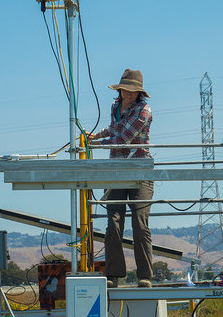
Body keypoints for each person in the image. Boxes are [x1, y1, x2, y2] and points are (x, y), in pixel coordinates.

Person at [87, 69, 154, 288]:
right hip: (116, 170)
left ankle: (145, 276)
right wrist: (98, 134)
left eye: (134, 91)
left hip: (140, 169)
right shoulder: (116, 107)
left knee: (139, 223)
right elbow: (115, 128)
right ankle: (113, 275)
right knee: (113, 223)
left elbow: (124, 139)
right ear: (121, 89)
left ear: (139, 93)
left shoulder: (144, 110)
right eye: (126, 89)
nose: (129, 94)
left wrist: (97, 144)